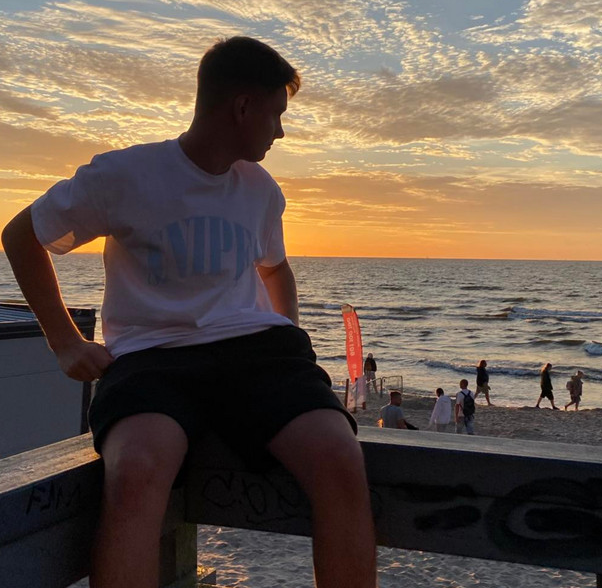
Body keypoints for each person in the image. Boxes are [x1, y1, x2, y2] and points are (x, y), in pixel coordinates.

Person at [1, 37, 377, 588]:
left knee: (341, 460)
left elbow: (275, 268)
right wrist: (64, 342)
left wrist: (291, 340)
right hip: (153, 359)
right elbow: (21, 235)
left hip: (257, 355)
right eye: (276, 114)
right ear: (242, 107)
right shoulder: (125, 174)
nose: (280, 131)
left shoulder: (260, 188)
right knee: (135, 474)